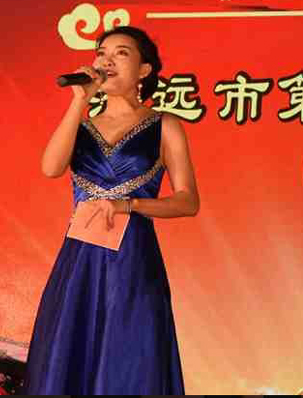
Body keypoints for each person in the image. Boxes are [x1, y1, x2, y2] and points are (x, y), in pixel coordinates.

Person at [26, 26, 200, 395]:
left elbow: (188, 200)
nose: (107, 60)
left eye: (121, 53)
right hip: (80, 257)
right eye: (102, 53)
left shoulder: (164, 125)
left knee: (130, 355)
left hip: (133, 256)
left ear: (144, 70)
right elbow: (51, 167)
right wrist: (79, 101)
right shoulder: (82, 125)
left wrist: (130, 204)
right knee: (71, 351)